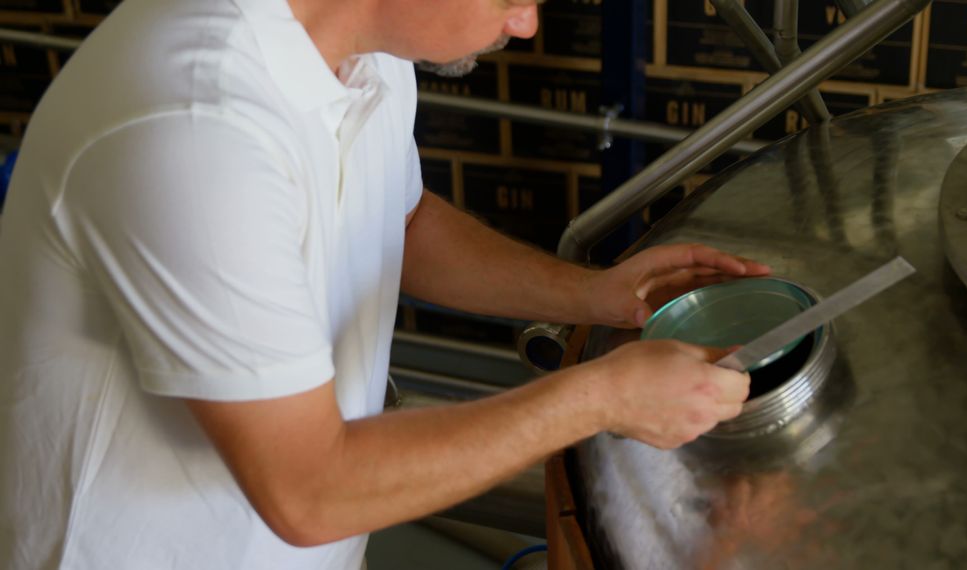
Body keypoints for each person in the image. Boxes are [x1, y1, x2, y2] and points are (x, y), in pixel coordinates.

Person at [0, 0, 770, 567]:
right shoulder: (195, 125)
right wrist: (601, 397)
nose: (527, 23)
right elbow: (308, 492)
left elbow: (401, 222)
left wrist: (594, 295)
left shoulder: (363, 50)